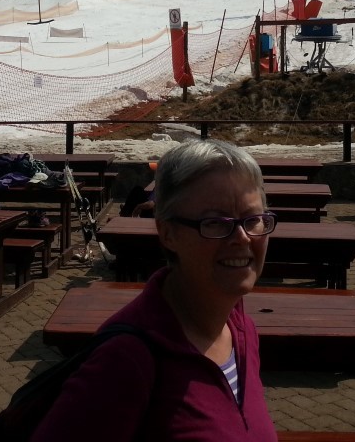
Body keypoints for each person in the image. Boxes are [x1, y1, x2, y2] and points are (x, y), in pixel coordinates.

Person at [31, 139, 278, 441]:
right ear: (168, 233)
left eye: (254, 220)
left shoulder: (241, 330)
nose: (242, 237)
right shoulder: (125, 360)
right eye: (215, 223)